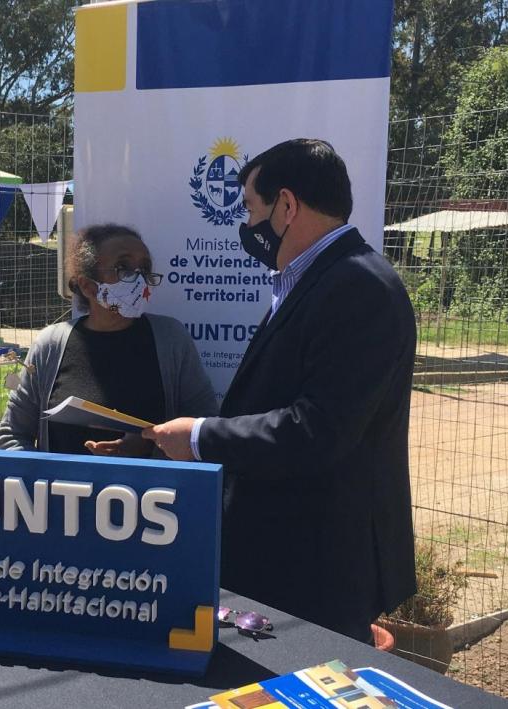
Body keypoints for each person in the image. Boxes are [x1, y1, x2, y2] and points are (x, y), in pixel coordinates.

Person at [143, 139, 417, 643]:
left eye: (249, 208)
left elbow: (319, 429)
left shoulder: (359, 287)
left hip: (318, 565)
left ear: (287, 206)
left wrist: (203, 437)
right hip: (288, 554)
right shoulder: (314, 280)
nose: (246, 226)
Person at [0, 223, 217, 456]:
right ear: (88, 286)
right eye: (124, 267)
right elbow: (12, 433)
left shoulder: (171, 338)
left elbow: (203, 428)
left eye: (144, 267)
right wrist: (41, 480)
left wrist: (150, 448)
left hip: (150, 490)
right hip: (64, 490)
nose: (139, 277)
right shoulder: (50, 344)